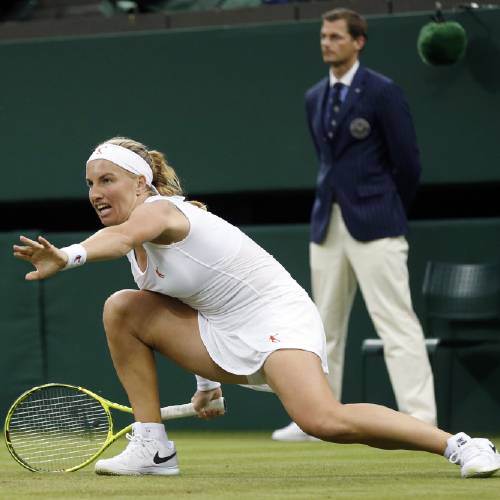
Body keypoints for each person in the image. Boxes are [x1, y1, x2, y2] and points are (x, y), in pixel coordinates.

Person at [13, 137, 499, 479]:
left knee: (322, 420)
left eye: (108, 180)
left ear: (142, 184)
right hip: (219, 328)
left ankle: (459, 445)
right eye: (90, 183)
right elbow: (182, 303)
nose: (96, 192)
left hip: (275, 316)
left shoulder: (161, 211)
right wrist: (206, 385)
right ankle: (152, 447)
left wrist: (68, 256)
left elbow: (116, 239)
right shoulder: (142, 253)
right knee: (123, 308)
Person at [272, 8, 437, 442]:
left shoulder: (382, 92)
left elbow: (408, 164)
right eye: (323, 36)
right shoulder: (314, 97)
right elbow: (328, 160)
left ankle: (420, 419)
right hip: (328, 222)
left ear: (358, 42)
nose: (326, 43)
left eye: (335, 36)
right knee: (320, 325)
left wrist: (384, 206)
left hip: (377, 222)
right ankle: (317, 416)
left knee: (397, 323)